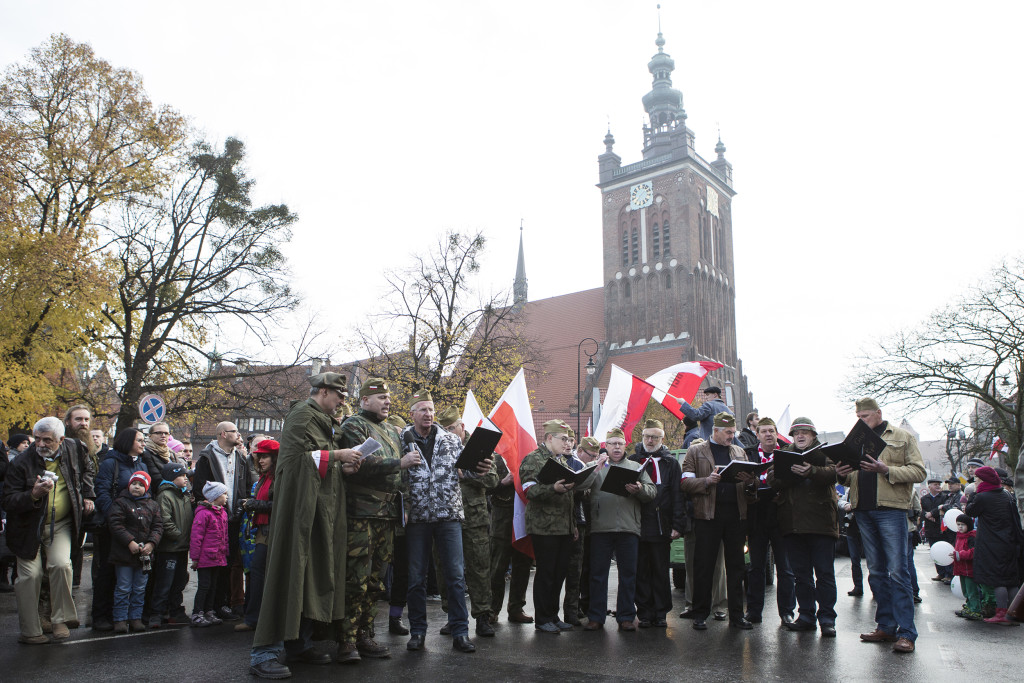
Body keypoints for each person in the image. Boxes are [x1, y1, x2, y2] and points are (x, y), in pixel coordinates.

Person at [249, 372, 361, 679]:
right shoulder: (301, 416)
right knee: (288, 573)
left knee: (309, 575)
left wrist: (343, 465)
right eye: (339, 395)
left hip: (319, 512)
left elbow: (319, 462)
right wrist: (337, 454)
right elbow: (295, 462)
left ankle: (298, 644)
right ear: (323, 392)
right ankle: (263, 653)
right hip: (299, 514)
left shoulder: (322, 421)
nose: (341, 401)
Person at [402, 390, 490, 654]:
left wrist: (480, 467)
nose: (428, 414)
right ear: (412, 414)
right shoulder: (402, 439)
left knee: (455, 576)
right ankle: (417, 632)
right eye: (422, 410)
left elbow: (468, 469)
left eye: (431, 409)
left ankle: (460, 632)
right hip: (417, 517)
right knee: (416, 578)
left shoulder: (451, 439)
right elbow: (396, 473)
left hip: (449, 516)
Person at [836, 398, 926, 654]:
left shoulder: (901, 436)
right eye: (858, 416)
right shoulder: (854, 439)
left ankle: (907, 633)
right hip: (862, 509)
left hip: (890, 510)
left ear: (878, 413)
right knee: (875, 571)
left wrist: (886, 469)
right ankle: (886, 626)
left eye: (865, 415)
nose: (861, 420)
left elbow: (919, 472)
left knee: (898, 571)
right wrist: (842, 472)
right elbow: (851, 474)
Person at [336, 378, 416, 662]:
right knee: (355, 579)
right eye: (381, 397)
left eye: (388, 398)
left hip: (388, 515)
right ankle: (346, 641)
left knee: (376, 581)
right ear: (364, 401)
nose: (387, 402)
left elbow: (399, 477)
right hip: (361, 514)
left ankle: (365, 634)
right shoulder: (354, 426)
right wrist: (399, 463)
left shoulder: (391, 432)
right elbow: (357, 465)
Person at [2, 417, 96, 643]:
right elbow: (7, 500)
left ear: (61, 440)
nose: (41, 444)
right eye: (37, 439)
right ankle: (30, 630)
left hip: (62, 522)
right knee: (30, 576)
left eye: (47, 440)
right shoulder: (21, 462)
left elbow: (88, 470)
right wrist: (33, 495)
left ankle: (60, 620)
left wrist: (88, 495)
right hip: (27, 527)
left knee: (61, 564)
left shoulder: (74, 448)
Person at [520, 419, 601, 635]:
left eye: (569, 439)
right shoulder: (534, 459)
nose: (567, 443)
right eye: (563, 439)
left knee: (559, 573)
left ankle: (553, 615)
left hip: (564, 527)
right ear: (549, 438)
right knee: (546, 573)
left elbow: (570, 500)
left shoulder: (562, 462)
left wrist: (573, 525)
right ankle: (542, 618)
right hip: (544, 527)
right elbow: (529, 491)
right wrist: (552, 488)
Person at [680, 412, 755, 631]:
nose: (732, 436)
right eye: (728, 432)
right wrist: (707, 481)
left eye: (733, 432)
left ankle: (737, 616)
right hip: (707, 516)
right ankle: (700, 613)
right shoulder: (696, 451)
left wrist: (750, 482)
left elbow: (751, 488)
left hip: (735, 517)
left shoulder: (739, 452)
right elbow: (685, 482)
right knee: (704, 566)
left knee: (736, 567)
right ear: (715, 431)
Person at [771, 418, 838, 637]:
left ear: (813, 435)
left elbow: (835, 473)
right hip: (793, 525)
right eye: (796, 433)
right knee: (801, 576)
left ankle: (827, 619)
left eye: (804, 433)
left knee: (825, 574)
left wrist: (812, 471)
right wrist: (788, 473)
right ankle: (806, 616)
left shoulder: (825, 452)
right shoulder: (784, 453)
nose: (800, 436)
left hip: (822, 524)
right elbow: (773, 478)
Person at [583, 427, 655, 631]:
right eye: (613, 443)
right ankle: (596, 616)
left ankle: (625, 616)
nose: (616, 447)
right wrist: (595, 469)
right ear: (606, 445)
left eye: (620, 444)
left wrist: (639, 489)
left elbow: (652, 491)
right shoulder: (595, 465)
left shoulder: (635, 466)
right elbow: (580, 488)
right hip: (600, 527)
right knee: (597, 574)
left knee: (628, 574)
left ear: (625, 446)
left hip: (628, 527)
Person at [437, 405, 500, 637]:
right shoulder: (439, 446)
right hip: (445, 517)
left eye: (452, 428)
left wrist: (469, 475)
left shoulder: (478, 447)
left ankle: (483, 616)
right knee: (446, 569)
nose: (449, 433)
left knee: (479, 568)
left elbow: (494, 480)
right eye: (444, 429)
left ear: (462, 427)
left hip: (473, 518)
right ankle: (452, 616)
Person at [194, 421, 255, 622]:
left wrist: (243, 504)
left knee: (228, 563)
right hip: (213, 517)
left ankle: (223, 603)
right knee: (213, 566)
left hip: (234, 517)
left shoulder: (240, 457)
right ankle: (206, 608)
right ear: (222, 434)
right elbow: (199, 487)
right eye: (234, 431)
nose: (238, 434)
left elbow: (245, 484)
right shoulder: (206, 457)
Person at [629, 419, 686, 628]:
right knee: (641, 570)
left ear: (662, 439)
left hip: (662, 525)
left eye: (654, 437)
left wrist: (678, 525)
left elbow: (678, 495)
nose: (650, 440)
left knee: (661, 571)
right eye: (647, 436)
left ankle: (661, 612)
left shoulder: (670, 463)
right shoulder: (633, 460)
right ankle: (644, 612)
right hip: (638, 524)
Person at [92, 428, 147, 631]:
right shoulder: (110, 463)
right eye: (139, 440)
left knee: (131, 575)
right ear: (127, 442)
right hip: (113, 529)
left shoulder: (142, 463)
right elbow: (102, 492)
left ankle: (129, 616)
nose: (143, 443)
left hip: (137, 528)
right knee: (107, 572)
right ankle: (101, 615)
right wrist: (115, 519)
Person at [743, 417, 796, 625]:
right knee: (756, 567)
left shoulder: (786, 453)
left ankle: (787, 612)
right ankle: (754, 611)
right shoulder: (748, 454)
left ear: (776, 433)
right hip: (756, 514)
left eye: (771, 431)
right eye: (763, 431)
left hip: (781, 514)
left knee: (785, 567)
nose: (768, 434)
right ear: (757, 435)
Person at [964, 465, 1024, 625]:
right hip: (1009, 543)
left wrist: (974, 493)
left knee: (998, 580)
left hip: (992, 544)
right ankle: (1014, 613)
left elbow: (969, 511)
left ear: (983, 480)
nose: (975, 482)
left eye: (976, 479)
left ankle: (1002, 613)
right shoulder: (1006, 495)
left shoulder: (983, 497)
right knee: (1011, 579)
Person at [108, 470, 162, 633]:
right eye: (134, 483)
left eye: (140, 484)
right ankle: (120, 619)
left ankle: (135, 618)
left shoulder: (153, 505)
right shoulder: (120, 503)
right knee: (123, 587)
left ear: (146, 487)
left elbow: (158, 527)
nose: (136, 487)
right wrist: (129, 542)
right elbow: (116, 524)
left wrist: (151, 544)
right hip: (124, 555)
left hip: (144, 556)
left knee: (139, 588)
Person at [487, 450, 534, 625]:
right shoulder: (495, 458)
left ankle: (516, 608)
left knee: (522, 563)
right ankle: (492, 609)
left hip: (523, 514)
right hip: (502, 518)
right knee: (497, 566)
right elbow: (484, 486)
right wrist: (503, 482)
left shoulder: (527, 454)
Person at [236, 440, 277, 633]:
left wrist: (253, 505)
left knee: (259, 575)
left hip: (272, 532)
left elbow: (279, 505)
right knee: (256, 574)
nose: (260, 460)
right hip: (261, 531)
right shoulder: (264, 477)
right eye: (259, 456)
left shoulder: (278, 478)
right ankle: (254, 618)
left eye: (265, 456)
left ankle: (255, 619)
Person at [151, 462, 194, 628]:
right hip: (170, 547)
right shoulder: (165, 496)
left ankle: (175, 611)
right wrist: (178, 535)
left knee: (179, 581)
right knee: (165, 582)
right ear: (171, 477)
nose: (185, 479)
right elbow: (165, 520)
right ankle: (157, 613)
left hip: (182, 547)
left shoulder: (183, 495)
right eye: (181, 476)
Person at [564, 435, 601, 625]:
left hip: (589, 523)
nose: (593, 459)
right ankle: (571, 608)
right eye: (591, 455)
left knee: (584, 568)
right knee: (572, 569)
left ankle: (582, 605)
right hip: (575, 521)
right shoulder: (576, 465)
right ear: (580, 451)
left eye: (596, 455)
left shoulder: (592, 467)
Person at [190, 481, 229, 627]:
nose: (226, 497)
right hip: (206, 558)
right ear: (215, 496)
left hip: (218, 556)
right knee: (204, 585)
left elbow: (225, 535)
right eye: (224, 494)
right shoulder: (204, 514)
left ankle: (209, 610)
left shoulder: (222, 513)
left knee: (213, 585)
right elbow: (196, 537)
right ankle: (197, 612)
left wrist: (225, 552)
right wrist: (195, 558)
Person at [920, 478, 955, 584]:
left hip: (942, 529)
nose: (938, 486)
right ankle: (940, 572)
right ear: (929, 486)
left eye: (939, 484)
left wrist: (932, 513)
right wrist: (927, 516)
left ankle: (949, 573)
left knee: (945, 551)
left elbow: (943, 508)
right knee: (935, 551)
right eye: (935, 484)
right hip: (930, 529)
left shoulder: (944, 497)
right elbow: (922, 511)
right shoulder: (924, 498)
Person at [951, 514, 981, 620]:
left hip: (969, 569)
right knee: (965, 590)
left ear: (968, 525)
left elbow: (973, 552)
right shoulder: (959, 536)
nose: (960, 527)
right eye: (958, 524)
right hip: (961, 568)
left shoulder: (971, 537)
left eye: (962, 525)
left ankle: (975, 609)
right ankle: (969, 606)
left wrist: (959, 555)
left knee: (971, 590)